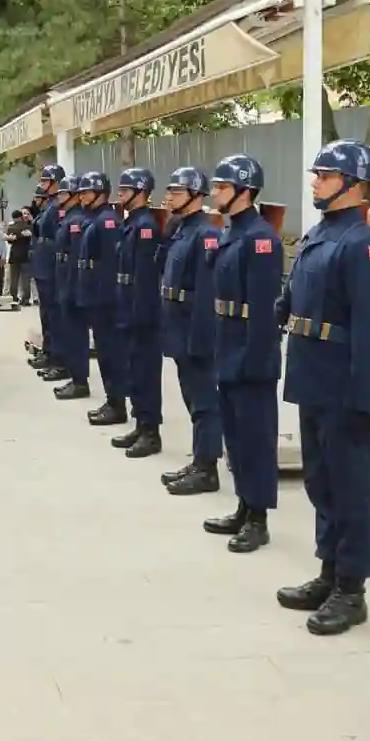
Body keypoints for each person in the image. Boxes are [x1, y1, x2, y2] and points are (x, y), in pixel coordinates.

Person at [274, 140, 370, 635]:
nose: (315, 181)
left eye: (325, 174)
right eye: (317, 173)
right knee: (322, 482)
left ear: (355, 184)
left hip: (344, 384)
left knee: (350, 488)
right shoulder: (320, 233)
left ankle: (352, 588)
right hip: (313, 375)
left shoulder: (364, 244)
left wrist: (367, 399)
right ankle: (329, 570)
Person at [203, 154, 282, 553]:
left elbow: (266, 309)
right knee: (236, 435)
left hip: (251, 350)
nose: (214, 192)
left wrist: (255, 360)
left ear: (244, 191)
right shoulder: (231, 231)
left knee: (256, 438)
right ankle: (243, 504)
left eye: (221, 186)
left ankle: (259, 517)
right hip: (228, 342)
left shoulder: (261, 238)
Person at [157, 167, 224, 495]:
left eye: (178, 192)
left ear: (197, 197)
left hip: (194, 327)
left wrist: (201, 338)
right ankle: (200, 458)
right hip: (178, 323)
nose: (169, 197)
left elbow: (207, 290)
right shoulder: (181, 230)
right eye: (169, 191)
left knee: (204, 400)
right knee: (191, 395)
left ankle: (207, 467)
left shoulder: (205, 233)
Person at [110, 168, 164, 458]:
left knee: (145, 373)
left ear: (140, 192)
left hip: (140, 310)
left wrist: (139, 316)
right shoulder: (132, 223)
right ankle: (141, 424)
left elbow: (144, 276)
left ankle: (151, 431)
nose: (120, 194)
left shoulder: (146, 227)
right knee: (134, 370)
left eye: (125, 189)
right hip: (127, 304)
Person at [73, 172, 124, 422]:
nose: (81, 196)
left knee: (110, 353)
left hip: (104, 299)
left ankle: (117, 403)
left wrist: (104, 300)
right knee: (104, 352)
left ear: (100, 194)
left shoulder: (107, 222)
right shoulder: (96, 219)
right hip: (95, 296)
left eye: (86, 192)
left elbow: (110, 265)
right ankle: (111, 400)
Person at [49, 176, 92, 397]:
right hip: (64, 279)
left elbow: (77, 256)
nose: (60, 198)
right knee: (68, 331)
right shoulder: (68, 218)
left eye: (64, 194)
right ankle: (75, 376)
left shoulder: (78, 220)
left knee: (76, 334)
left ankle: (80, 380)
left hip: (72, 282)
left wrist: (73, 287)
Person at [28, 172, 64, 366]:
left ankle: (55, 355)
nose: (41, 184)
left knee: (53, 313)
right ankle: (49, 351)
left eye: (45, 180)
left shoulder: (58, 205)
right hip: (42, 262)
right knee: (46, 312)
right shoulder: (49, 205)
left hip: (50, 263)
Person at [5, 208, 34, 305]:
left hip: (14, 255)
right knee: (26, 279)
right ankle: (26, 299)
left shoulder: (11, 227)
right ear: (21, 217)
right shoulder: (27, 226)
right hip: (25, 255)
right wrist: (22, 235)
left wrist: (16, 236)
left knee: (14, 278)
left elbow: (9, 240)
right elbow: (30, 236)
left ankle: (13, 297)